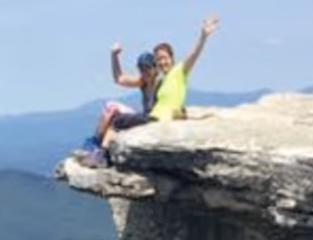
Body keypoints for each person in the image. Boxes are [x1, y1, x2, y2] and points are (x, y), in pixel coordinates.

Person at [75, 15, 220, 167]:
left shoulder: (179, 71)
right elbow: (120, 79)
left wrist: (203, 36)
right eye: (159, 59)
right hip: (153, 117)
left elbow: (193, 56)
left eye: (165, 58)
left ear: (172, 58)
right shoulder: (162, 80)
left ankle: (101, 156)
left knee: (117, 122)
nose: (162, 62)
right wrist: (114, 56)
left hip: (156, 120)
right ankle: (101, 153)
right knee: (118, 120)